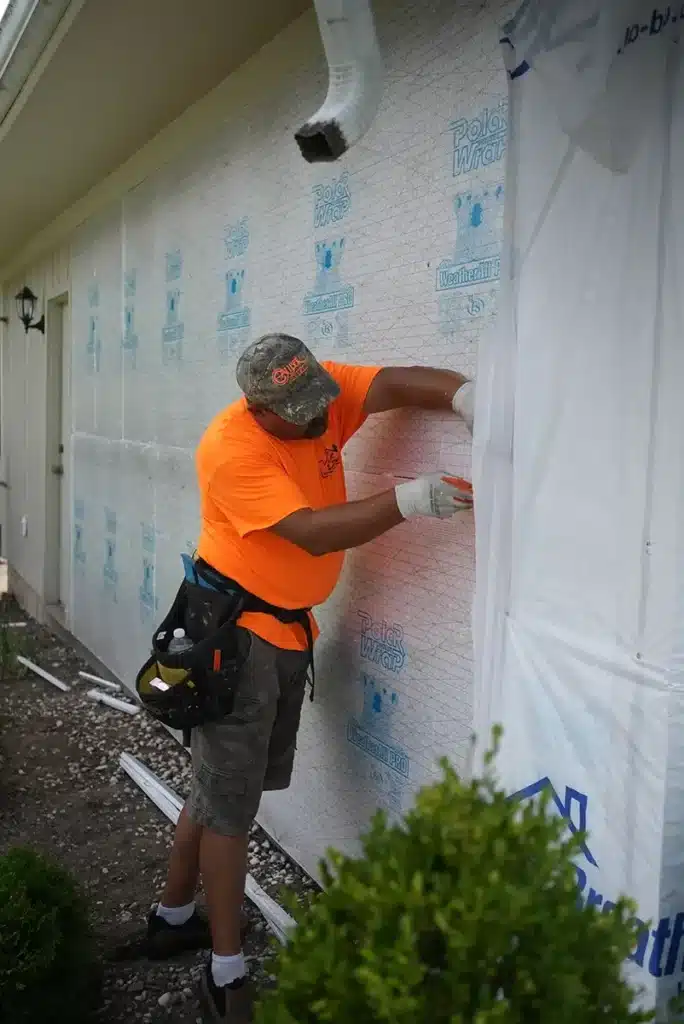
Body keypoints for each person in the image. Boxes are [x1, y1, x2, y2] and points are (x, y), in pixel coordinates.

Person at [145, 334, 475, 1022]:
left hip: (285, 632)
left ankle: (172, 918)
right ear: (258, 408)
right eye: (296, 412)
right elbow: (315, 533)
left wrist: (468, 396)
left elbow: (397, 383)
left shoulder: (317, 396)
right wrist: (408, 500)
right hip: (237, 641)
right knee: (231, 808)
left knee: (217, 787)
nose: (317, 419)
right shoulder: (232, 450)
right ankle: (225, 973)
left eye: (317, 399)